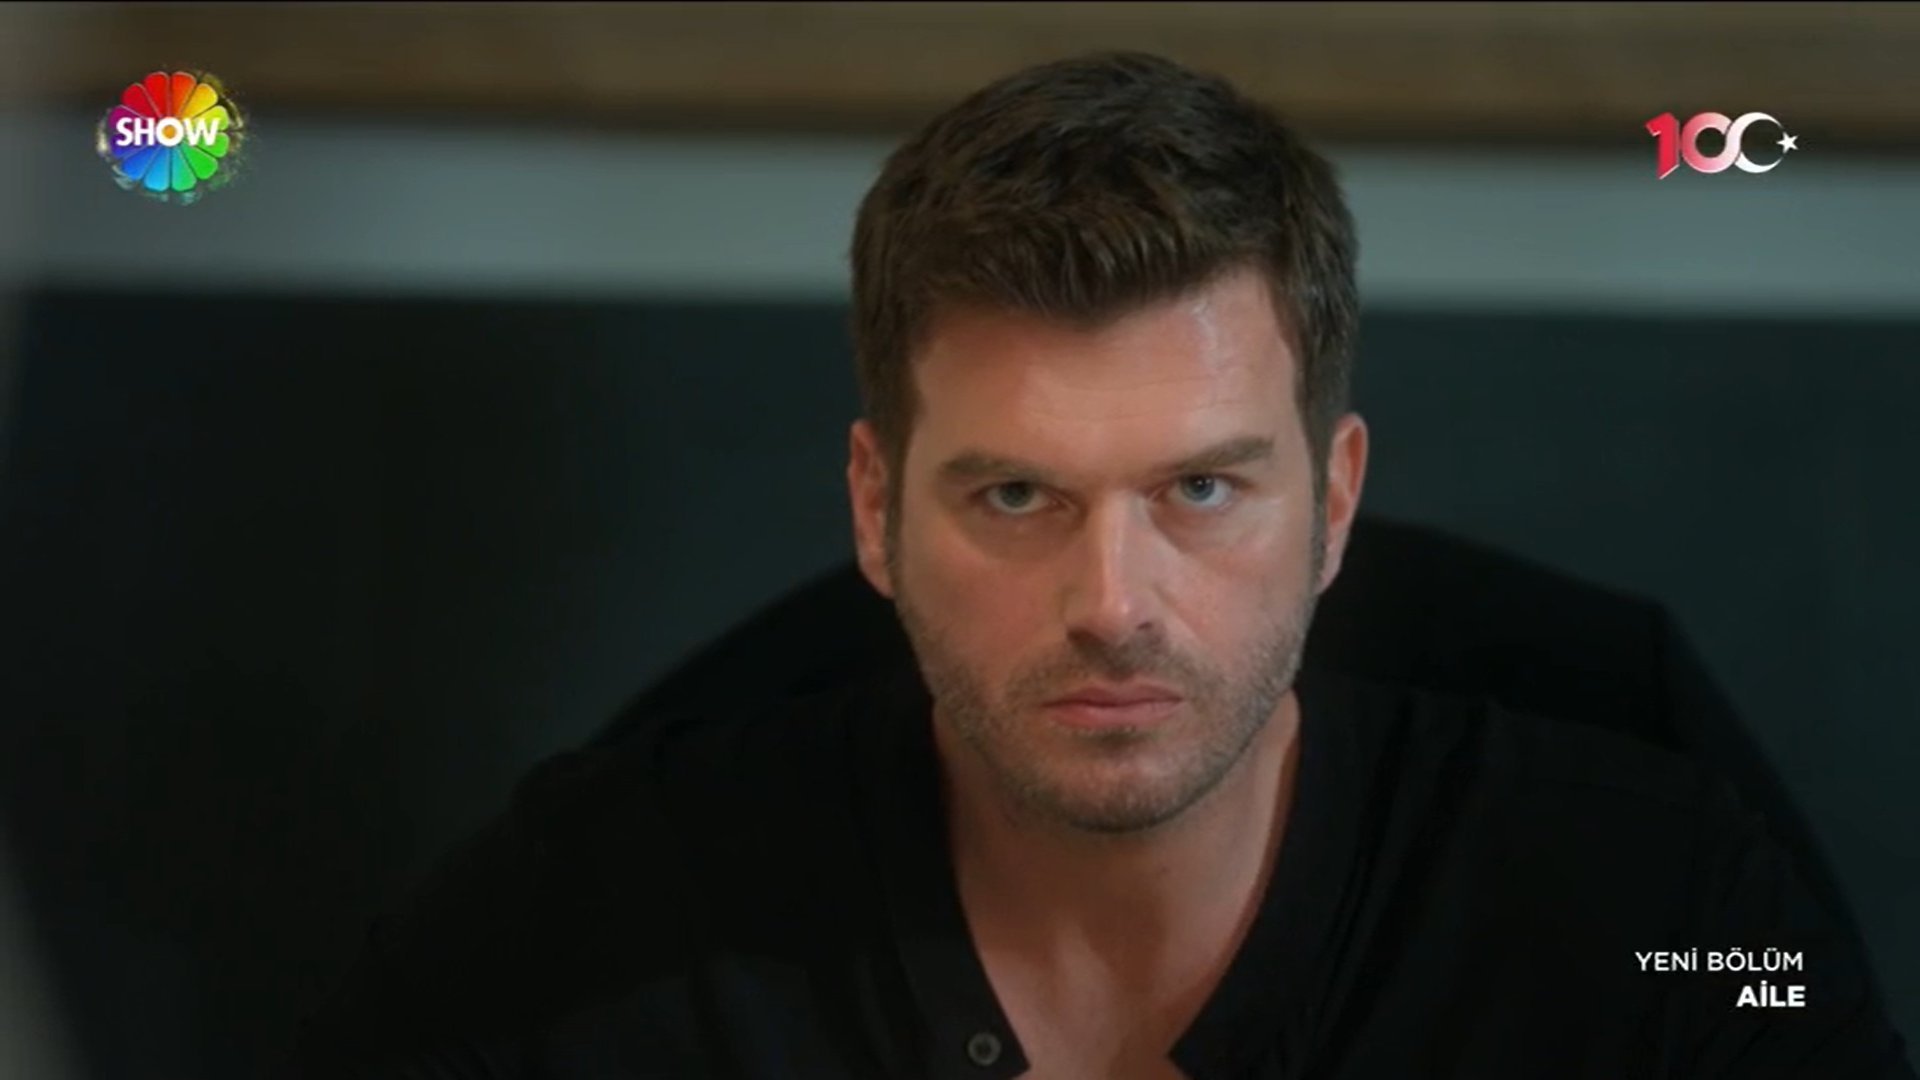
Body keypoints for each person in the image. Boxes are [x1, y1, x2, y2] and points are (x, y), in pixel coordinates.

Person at [297, 51, 1915, 1079]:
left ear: (1335, 504)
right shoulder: (583, 923)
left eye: (1202, 489)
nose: (1113, 606)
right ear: (874, 508)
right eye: (1015, 496)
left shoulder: (1661, 914)